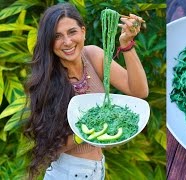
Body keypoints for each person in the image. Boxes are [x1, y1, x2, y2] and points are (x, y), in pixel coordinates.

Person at [24, 2, 148, 179]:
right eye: (57, 36)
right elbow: (48, 146)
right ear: (49, 42)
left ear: (83, 31)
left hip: (98, 169)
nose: (67, 42)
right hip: (68, 172)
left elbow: (139, 91)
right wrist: (84, 134)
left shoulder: (93, 56)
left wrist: (126, 44)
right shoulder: (47, 81)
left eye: (72, 32)